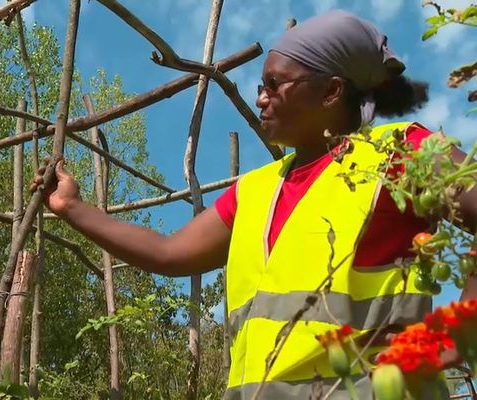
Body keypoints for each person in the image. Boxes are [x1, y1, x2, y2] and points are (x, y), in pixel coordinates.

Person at [32, 10, 477, 400]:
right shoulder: (256, 189)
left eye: (275, 85)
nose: (260, 98)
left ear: (330, 92)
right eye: (261, 86)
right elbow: (170, 254)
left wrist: (460, 331)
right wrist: (72, 207)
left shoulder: (399, 151)